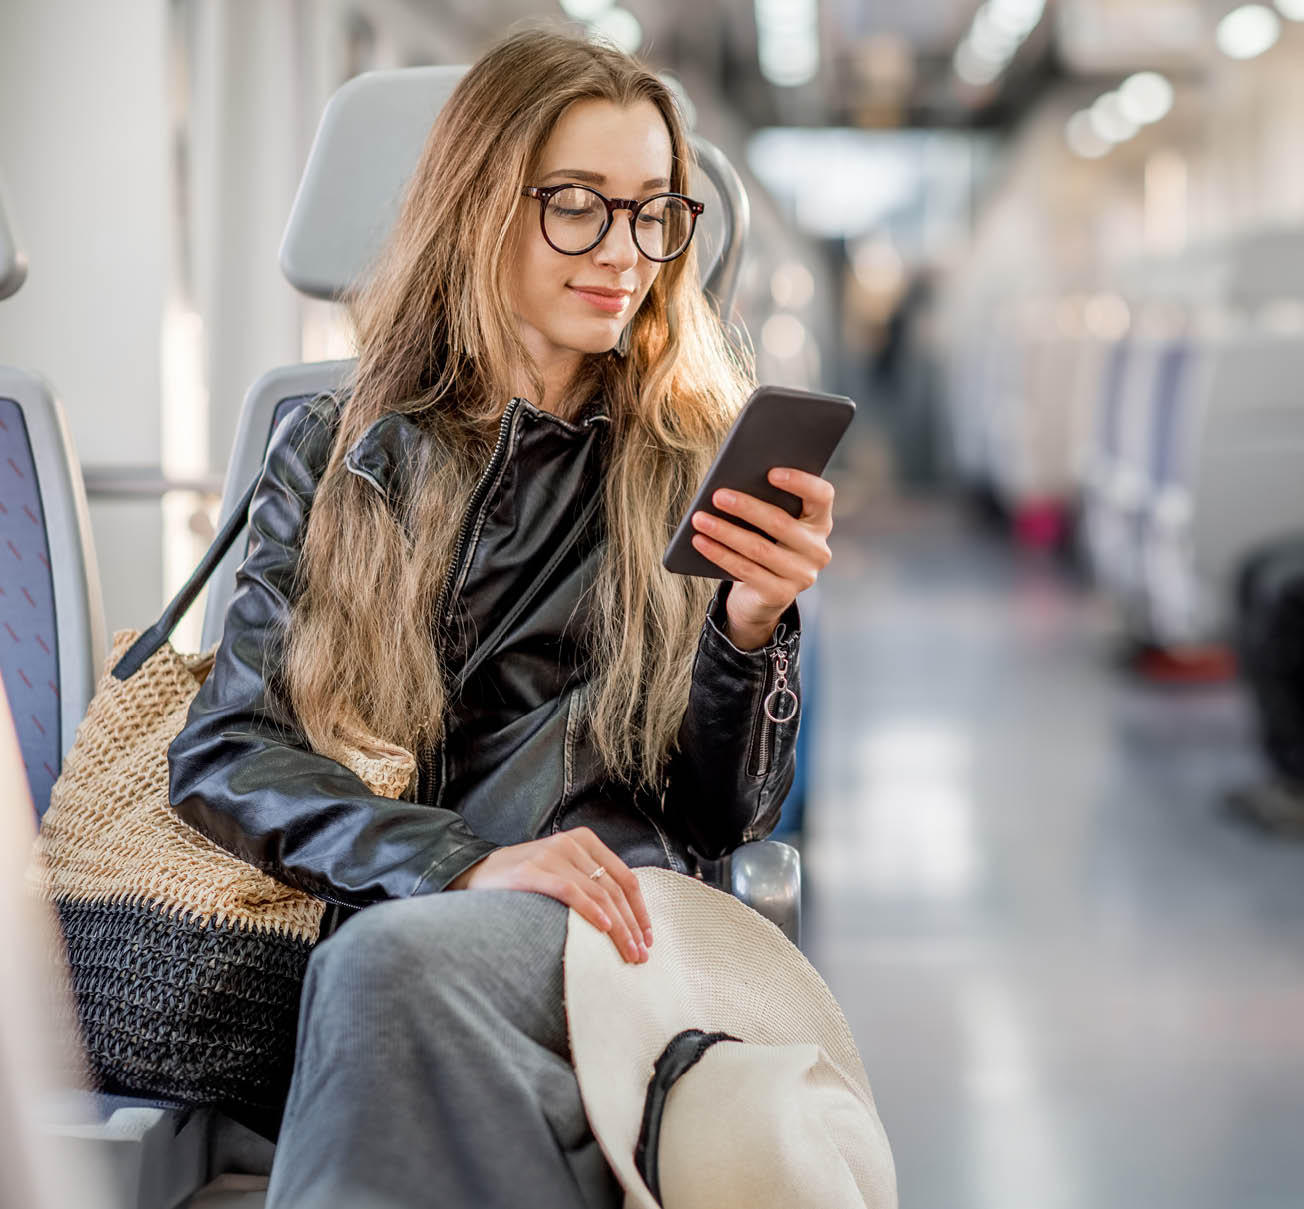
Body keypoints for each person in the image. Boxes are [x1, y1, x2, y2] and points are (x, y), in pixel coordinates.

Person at [167, 27, 835, 1209]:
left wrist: (747, 632)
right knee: (393, 972)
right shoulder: (334, 453)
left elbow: (720, 814)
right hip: (401, 906)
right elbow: (224, 752)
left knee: (390, 977)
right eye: (576, 205)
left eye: (652, 213)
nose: (621, 252)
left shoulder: (689, 455)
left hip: (616, 919)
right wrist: (461, 863)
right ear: (478, 207)